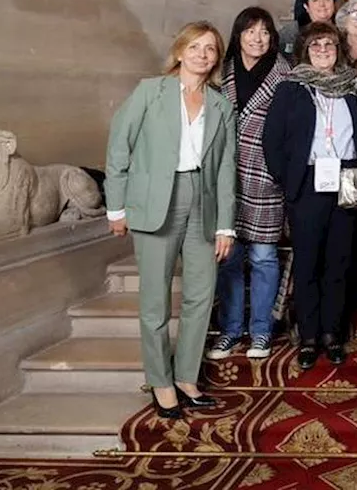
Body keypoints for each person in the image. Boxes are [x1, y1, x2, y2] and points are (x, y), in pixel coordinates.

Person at [105, 21, 237, 418]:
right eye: (195, 47)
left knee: (200, 297)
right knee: (155, 300)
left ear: (217, 58)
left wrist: (225, 224)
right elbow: (119, 145)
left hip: (204, 202)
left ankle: (186, 377)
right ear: (180, 51)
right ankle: (160, 381)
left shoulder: (221, 104)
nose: (203, 55)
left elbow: (227, 167)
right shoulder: (150, 91)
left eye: (211, 49)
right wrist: (117, 207)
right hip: (155, 202)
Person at [262, 22, 357, 369]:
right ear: (305, 49)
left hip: (346, 180)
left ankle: (331, 334)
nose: (323, 49)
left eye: (330, 44)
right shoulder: (290, 88)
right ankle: (308, 336)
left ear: (339, 49)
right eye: (317, 44)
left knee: (339, 262)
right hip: (307, 183)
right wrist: (289, 179)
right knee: (307, 263)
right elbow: (272, 140)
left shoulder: (352, 88)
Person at [208, 10, 290, 362]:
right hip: (225, 176)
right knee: (229, 258)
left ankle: (260, 330)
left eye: (265, 32)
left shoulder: (285, 73)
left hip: (266, 177)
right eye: (250, 31)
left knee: (263, 256)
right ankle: (229, 330)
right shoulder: (219, 73)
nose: (257, 38)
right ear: (238, 34)